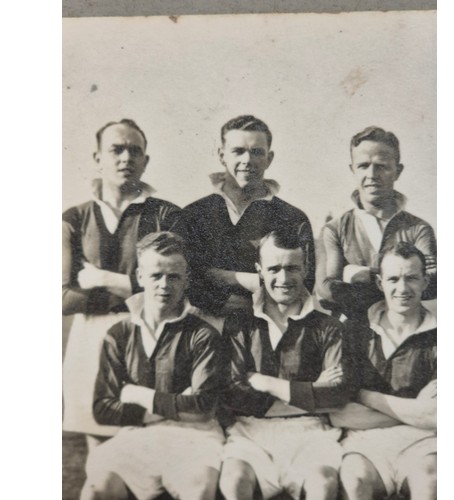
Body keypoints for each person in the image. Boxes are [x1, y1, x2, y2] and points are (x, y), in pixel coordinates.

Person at [62, 119, 181, 444]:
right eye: (116, 149)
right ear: (98, 157)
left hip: (151, 337)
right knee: (102, 463)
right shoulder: (74, 218)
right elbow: (61, 299)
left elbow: (180, 289)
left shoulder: (166, 216)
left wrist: (101, 278)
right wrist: (139, 289)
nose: (126, 158)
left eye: (135, 150)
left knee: (152, 448)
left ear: (146, 161)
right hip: (92, 342)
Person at [81, 232, 224, 500]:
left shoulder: (203, 334)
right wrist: (175, 405)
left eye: (174, 276)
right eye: (156, 275)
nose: (164, 285)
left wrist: (137, 395)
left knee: (199, 491)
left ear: (187, 280)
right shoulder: (119, 333)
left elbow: (202, 409)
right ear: (139, 277)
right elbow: (103, 409)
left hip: (195, 438)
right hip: (138, 435)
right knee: (96, 489)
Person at [219, 230, 354, 500]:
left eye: (292, 268)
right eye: (273, 268)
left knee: (323, 484)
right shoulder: (239, 324)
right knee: (234, 482)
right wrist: (311, 391)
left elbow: (337, 394)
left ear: (305, 269)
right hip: (250, 430)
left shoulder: (328, 326)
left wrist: (265, 382)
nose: (283, 279)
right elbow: (232, 393)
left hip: (310, 432)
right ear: (259, 270)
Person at [329, 242, 437, 500]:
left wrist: (364, 396)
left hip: (421, 442)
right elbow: (339, 415)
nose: (402, 288)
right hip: (364, 441)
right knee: (354, 483)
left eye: (411, 278)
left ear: (425, 281)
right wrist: (415, 410)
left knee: (430, 483)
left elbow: (437, 416)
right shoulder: (354, 332)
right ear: (379, 283)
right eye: (393, 279)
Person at [179, 115, 315, 317]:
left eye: (256, 152)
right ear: (221, 155)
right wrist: (252, 287)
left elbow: (302, 285)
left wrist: (223, 277)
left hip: (270, 329)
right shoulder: (194, 213)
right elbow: (187, 282)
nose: (247, 160)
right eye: (238, 151)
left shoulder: (293, 218)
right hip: (207, 328)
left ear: (269, 158)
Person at [317, 126, 437, 318]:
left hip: (406, 337)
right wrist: (403, 280)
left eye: (381, 166)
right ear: (352, 170)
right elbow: (327, 291)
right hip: (353, 337)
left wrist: (358, 275)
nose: (372, 175)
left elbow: (432, 285)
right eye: (363, 166)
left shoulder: (418, 229)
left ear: (397, 171)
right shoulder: (334, 229)